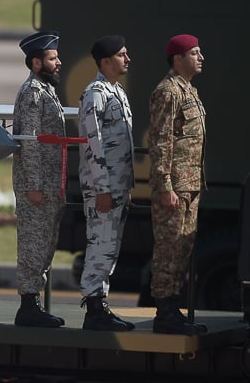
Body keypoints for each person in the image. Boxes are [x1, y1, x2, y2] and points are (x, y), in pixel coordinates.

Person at [149, 34, 207, 335]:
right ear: (178, 58)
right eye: (194, 53)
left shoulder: (189, 91)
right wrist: (165, 185)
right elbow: (160, 141)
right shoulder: (168, 92)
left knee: (182, 246)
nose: (201, 58)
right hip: (174, 186)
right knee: (168, 248)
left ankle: (173, 308)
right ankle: (164, 312)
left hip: (190, 184)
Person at [78, 35, 135, 331]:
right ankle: (94, 311)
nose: (128, 59)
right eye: (122, 55)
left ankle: (101, 305)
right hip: (104, 187)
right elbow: (93, 143)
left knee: (109, 248)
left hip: (118, 187)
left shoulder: (118, 92)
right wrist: (101, 188)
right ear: (106, 61)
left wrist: (124, 187)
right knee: (100, 245)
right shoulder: (95, 93)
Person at [12, 30, 66, 327]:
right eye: (52, 58)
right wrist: (34, 185)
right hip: (38, 186)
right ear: (36, 63)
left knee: (45, 243)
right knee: (33, 244)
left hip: (48, 185)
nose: (58, 62)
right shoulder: (33, 92)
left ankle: (34, 306)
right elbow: (29, 141)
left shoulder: (47, 90)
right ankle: (28, 307)